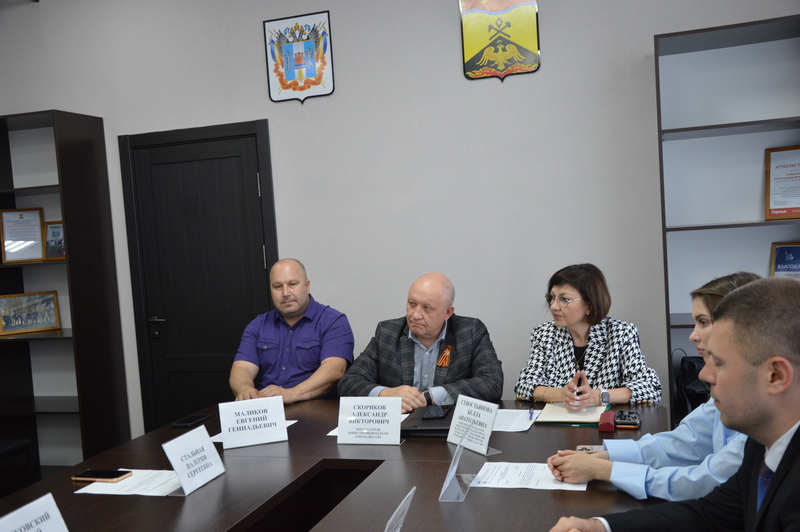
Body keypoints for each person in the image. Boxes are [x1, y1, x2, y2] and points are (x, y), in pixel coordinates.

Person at [549, 277, 800, 532]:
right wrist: (598, 527)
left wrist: (603, 468)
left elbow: (702, 483)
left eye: (719, 363)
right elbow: (709, 513)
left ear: (776, 376)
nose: (703, 374)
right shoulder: (762, 445)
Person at [337, 272, 503, 413]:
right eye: (412, 304)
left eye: (427, 308)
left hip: (446, 426)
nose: (415, 315)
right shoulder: (388, 332)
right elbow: (349, 382)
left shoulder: (470, 332)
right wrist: (387, 394)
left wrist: (430, 396)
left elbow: (492, 383)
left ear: (447, 312)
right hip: (399, 427)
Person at [515, 264, 661, 409]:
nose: (553, 306)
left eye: (564, 299)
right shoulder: (544, 334)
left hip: (606, 422)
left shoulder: (621, 333)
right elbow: (524, 385)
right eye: (552, 297)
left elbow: (650, 386)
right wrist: (562, 394)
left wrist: (597, 396)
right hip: (557, 422)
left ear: (589, 305)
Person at [229, 258, 354, 403]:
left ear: (307, 286)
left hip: (316, 409)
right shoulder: (258, 325)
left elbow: (334, 371)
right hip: (268, 408)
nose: (285, 293)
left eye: (292, 284)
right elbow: (242, 368)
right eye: (278, 286)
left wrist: (291, 394)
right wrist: (245, 390)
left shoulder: (333, 321)